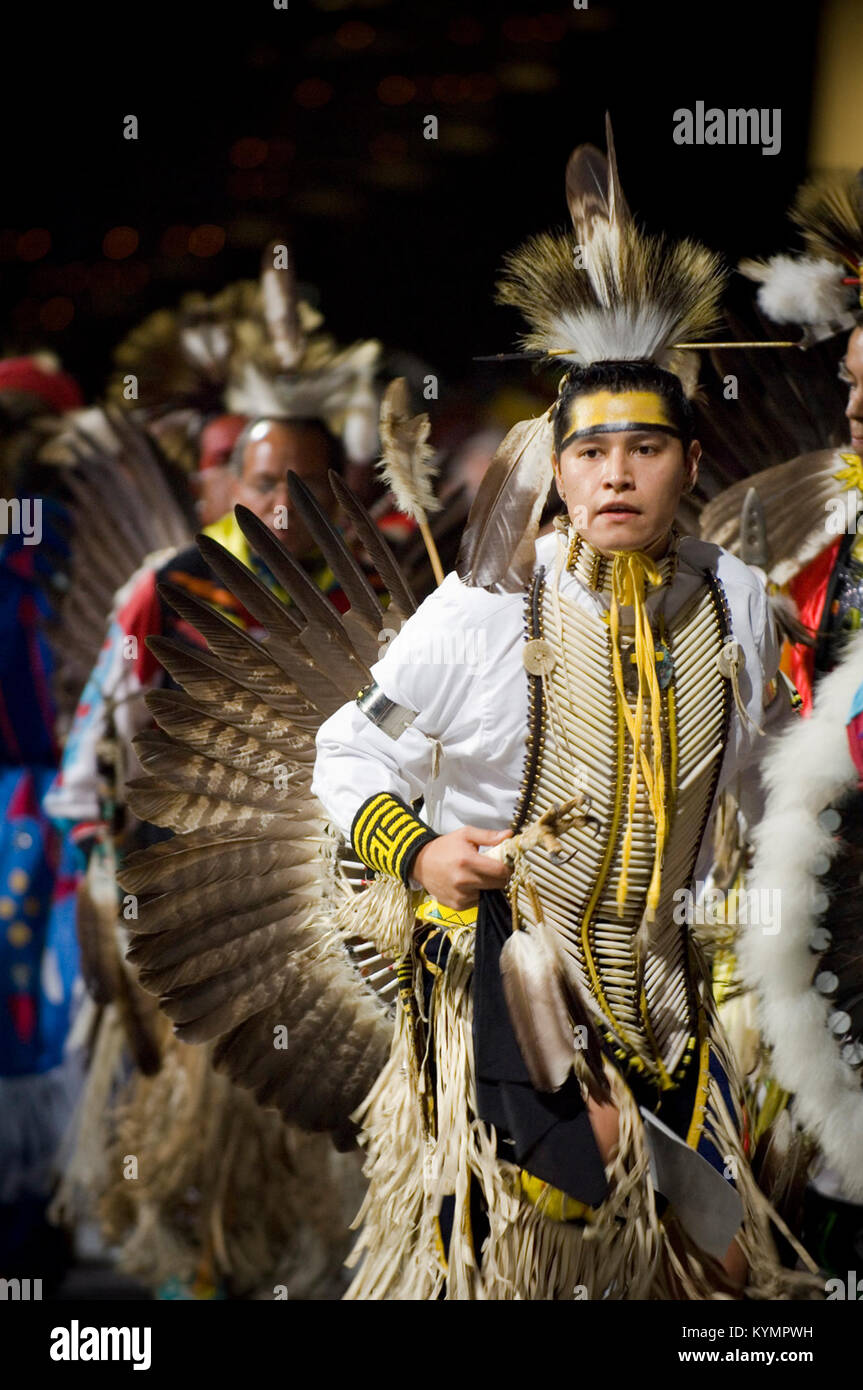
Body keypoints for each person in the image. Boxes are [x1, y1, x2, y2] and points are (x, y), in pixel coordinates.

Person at [308, 126, 815, 1300]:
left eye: (645, 448)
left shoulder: (735, 601)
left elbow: (766, 785)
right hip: (513, 984)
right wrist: (422, 847)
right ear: (558, 464)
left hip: (679, 1011)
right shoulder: (488, 604)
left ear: (690, 461)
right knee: (534, 1263)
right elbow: (346, 748)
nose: (617, 475)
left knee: (718, 1278)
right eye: (592, 452)